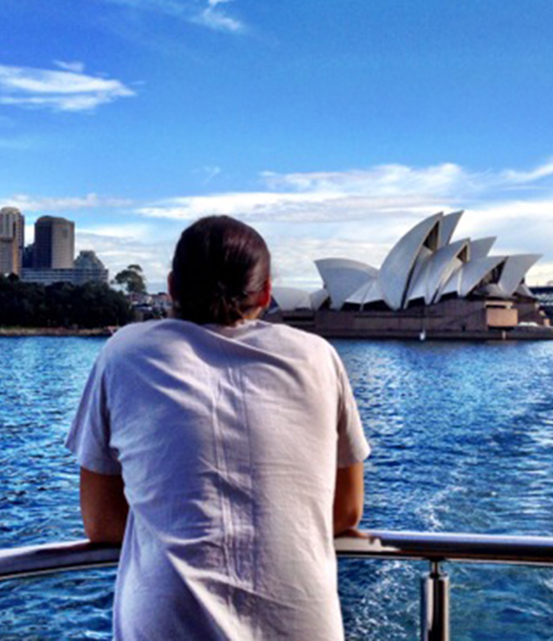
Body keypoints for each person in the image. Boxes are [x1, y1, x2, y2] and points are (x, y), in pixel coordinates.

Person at [66, 215, 371, 640]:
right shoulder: (318, 357)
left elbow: (100, 522)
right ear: (266, 293)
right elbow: (347, 510)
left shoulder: (124, 353)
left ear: (172, 286)